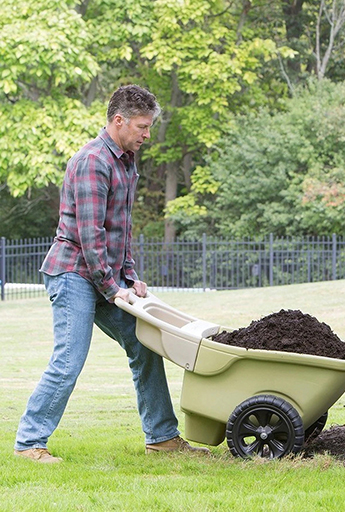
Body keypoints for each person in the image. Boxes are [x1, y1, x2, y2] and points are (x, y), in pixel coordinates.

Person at [14, 85, 208, 463]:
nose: (147, 134)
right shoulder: (92, 161)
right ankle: (29, 443)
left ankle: (163, 437)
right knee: (69, 358)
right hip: (73, 273)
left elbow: (121, 225)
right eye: (142, 126)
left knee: (146, 345)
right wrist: (111, 286)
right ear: (118, 121)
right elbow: (90, 233)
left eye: (149, 126)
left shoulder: (126, 160)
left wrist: (130, 276)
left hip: (104, 275)